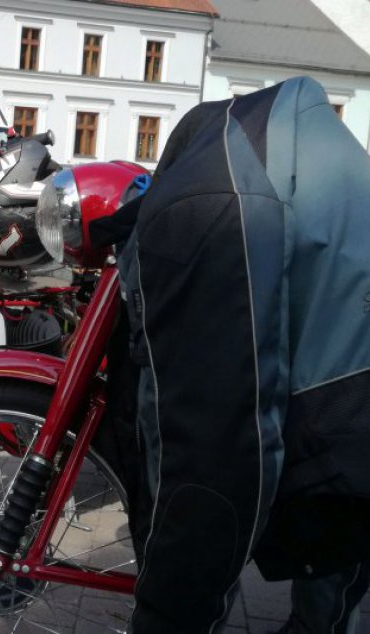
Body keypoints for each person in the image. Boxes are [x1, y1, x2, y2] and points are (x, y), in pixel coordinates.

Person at [103, 77, 370, 633]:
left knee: (332, 533)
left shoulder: (209, 205)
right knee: (337, 570)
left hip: (347, 419)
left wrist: (165, 618)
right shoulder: (255, 155)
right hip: (347, 397)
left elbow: (217, 457)